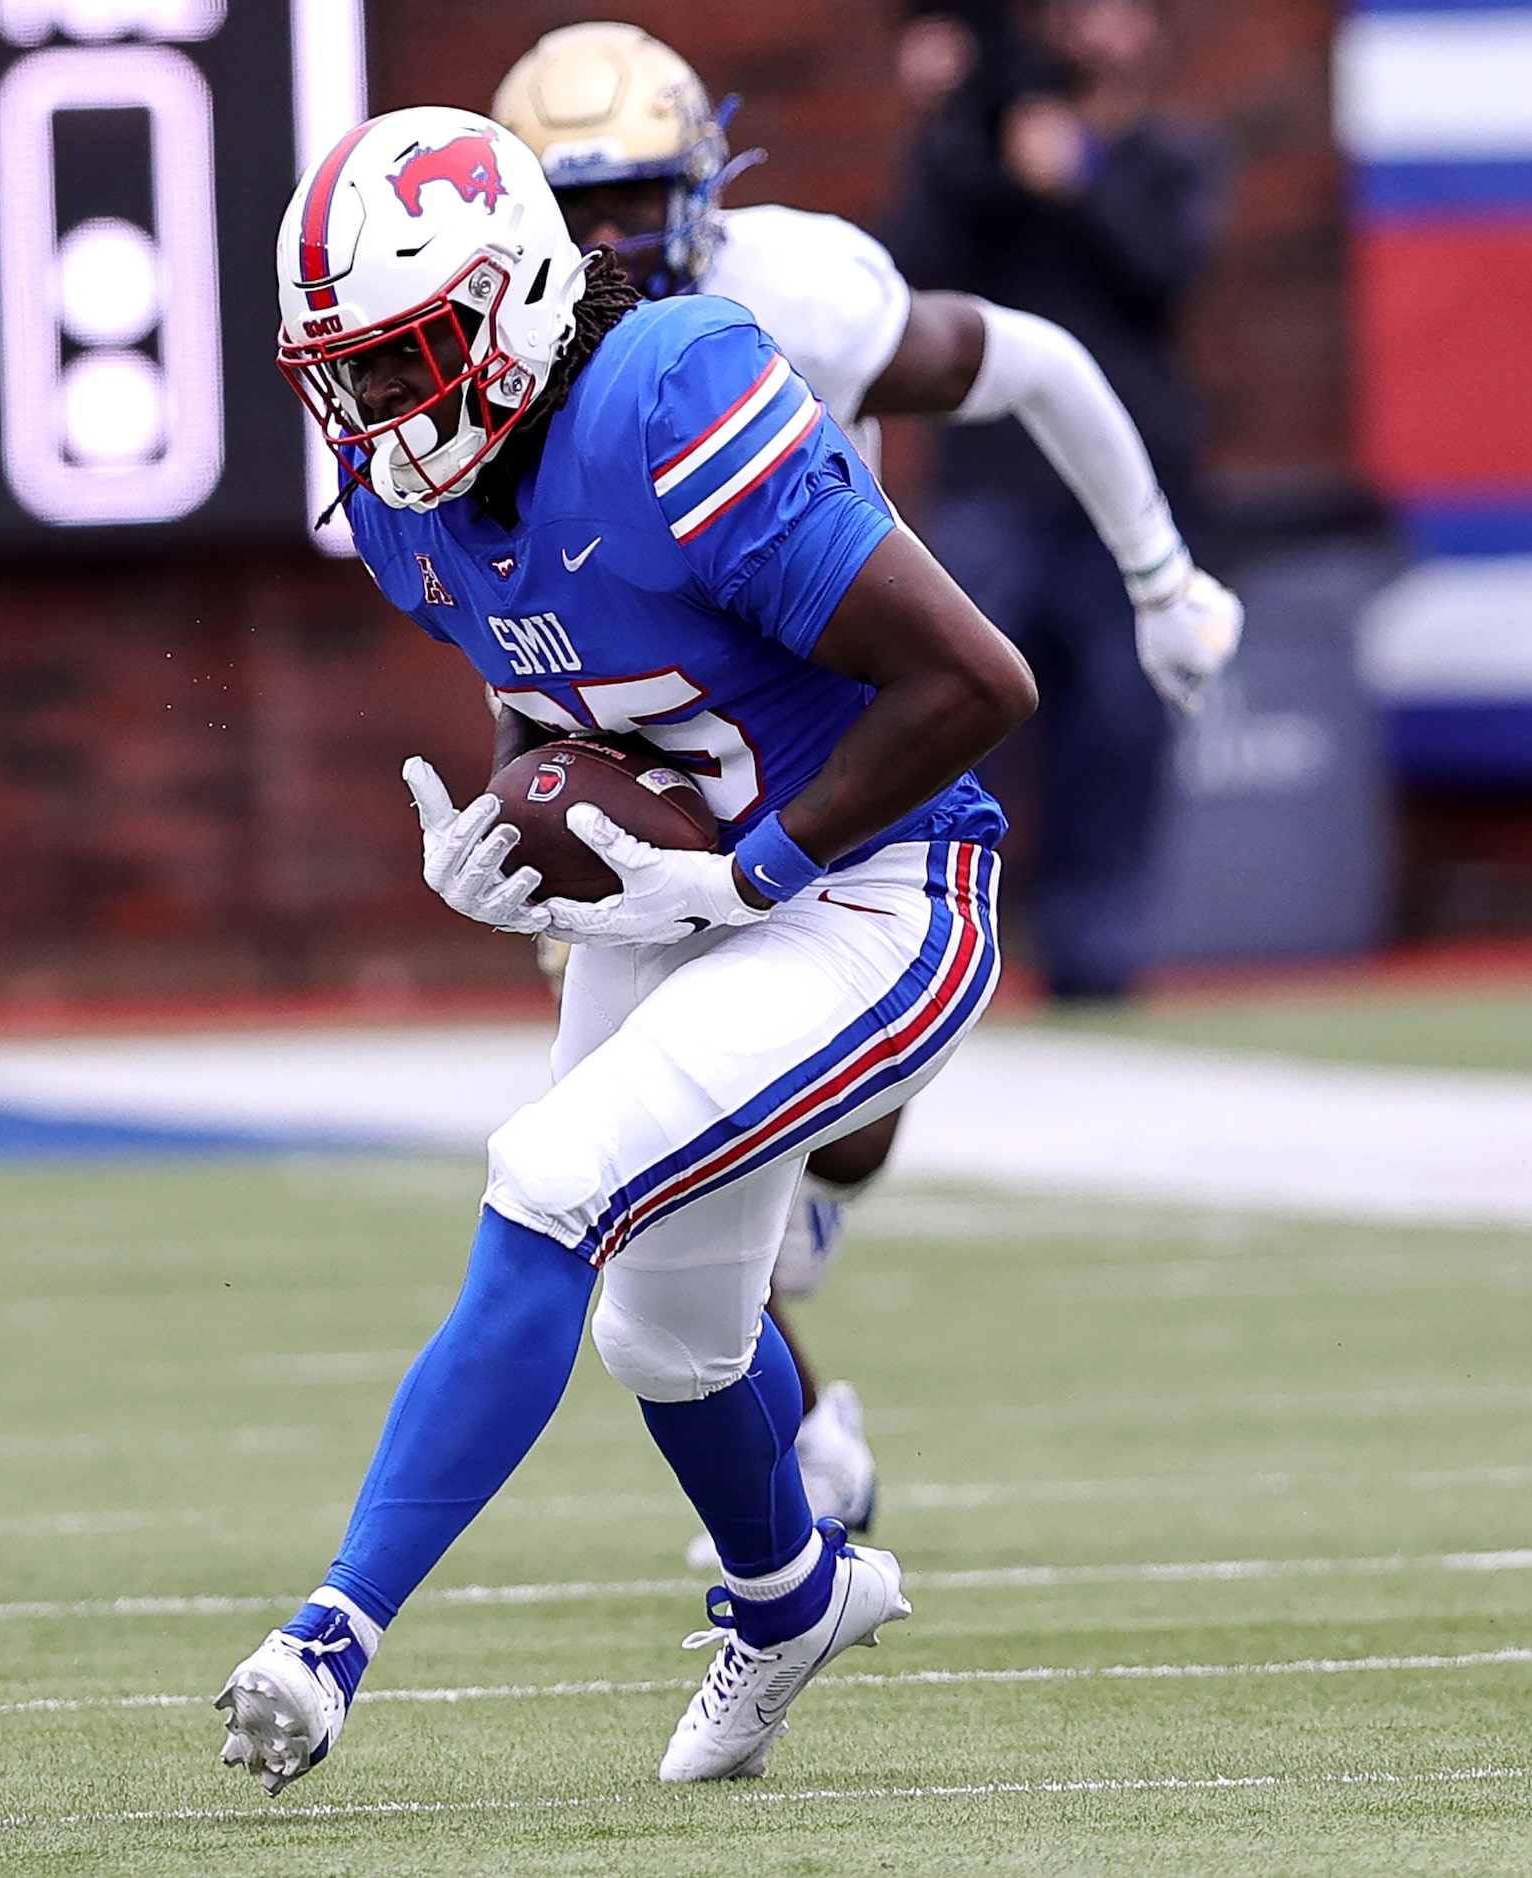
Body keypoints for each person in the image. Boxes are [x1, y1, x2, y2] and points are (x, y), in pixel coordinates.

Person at [215, 103, 1037, 1793]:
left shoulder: (669, 394)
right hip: (693, 892)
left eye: (406, 361)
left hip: (875, 888)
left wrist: (744, 876)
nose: (372, 414)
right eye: (346, 374)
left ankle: (330, 1630)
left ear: (514, 307)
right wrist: (522, 837)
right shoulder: (404, 503)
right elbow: (565, 711)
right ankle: (791, 1591)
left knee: (548, 1172)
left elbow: (977, 686)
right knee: (662, 1337)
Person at [489, 19, 1242, 1550]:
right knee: (651, 1172)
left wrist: (1160, 576)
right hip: (656, 768)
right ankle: (805, 1465)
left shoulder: (790, 294)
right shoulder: (504, 364)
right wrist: (527, 795)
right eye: (574, 215)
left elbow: (1034, 359)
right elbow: (510, 604)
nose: (612, 243)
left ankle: (809, 1283)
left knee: (826, 1137)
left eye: (635, 199)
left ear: (702, 183)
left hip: (849, 749)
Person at [890, 0, 1230, 1000]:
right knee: (953, 718)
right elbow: (909, 270)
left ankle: (1096, 957)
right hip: (995, 485)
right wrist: (951, 127)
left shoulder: (1171, 153)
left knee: (1120, 728)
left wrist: (1072, 175)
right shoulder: (978, 152)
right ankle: (941, 950)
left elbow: (1162, 272)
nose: (1097, 30)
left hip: (1130, 496)